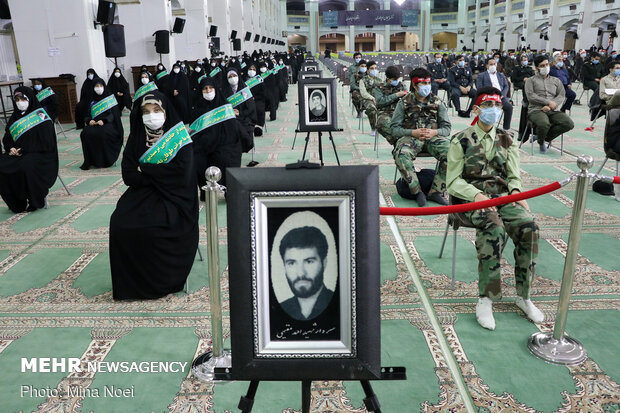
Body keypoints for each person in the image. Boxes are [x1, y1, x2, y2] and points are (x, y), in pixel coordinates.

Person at [446, 86, 544, 331]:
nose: (494, 111)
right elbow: (453, 181)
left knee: (529, 227)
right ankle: (486, 298)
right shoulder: (461, 139)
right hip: (469, 198)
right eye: (488, 106)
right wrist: (477, 194)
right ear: (477, 109)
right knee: (494, 228)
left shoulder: (506, 139)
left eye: (498, 106)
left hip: (501, 197)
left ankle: (524, 295)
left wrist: (517, 195)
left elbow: (513, 176)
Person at [109, 90, 198, 300]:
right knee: (120, 222)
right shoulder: (137, 136)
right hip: (142, 193)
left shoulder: (180, 139)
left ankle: (160, 281)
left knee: (154, 227)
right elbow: (128, 175)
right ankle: (131, 285)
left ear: (166, 112)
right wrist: (158, 173)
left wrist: (146, 169)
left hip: (175, 197)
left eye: (157, 110)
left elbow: (181, 175)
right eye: (146, 111)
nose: (152, 115)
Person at [389, 68, 451, 206]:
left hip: (433, 138)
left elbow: (447, 128)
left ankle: (436, 191)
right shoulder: (404, 102)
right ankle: (417, 192)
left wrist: (435, 132)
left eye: (428, 83)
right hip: (411, 138)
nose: (427, 86)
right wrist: (413, 133)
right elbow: (394, 129)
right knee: (401, 154)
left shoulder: (438, 102)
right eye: (423, 84)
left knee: (453, 152)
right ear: (414, 85)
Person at [0, 87, 58, 213]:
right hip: (17, 154)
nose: (20, 102)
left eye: (22, 99)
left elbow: (46, 141)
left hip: (40, 153)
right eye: (17, 100)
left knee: (26, 165)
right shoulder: (14, 117)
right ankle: (16, 202)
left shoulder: (40, 115)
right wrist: (11, 148)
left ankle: (34, 200)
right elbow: (7, 138)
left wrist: (24, 149)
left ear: (30, 99)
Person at [190, 77, 247, 192]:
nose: (208, 91)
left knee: (225, 157)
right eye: (205, 89)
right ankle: (206, 191)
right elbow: (195, 131)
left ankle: (229, 191)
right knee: (196, 158)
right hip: (205, 144)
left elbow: (232, 129)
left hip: (225, 143)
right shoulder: (197, 108)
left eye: (211, 88)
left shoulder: (223, 105)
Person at [278, 226, 334, 321]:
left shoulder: (340, 304)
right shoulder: (279, 311)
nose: (300, 273)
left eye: (309, 262)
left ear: (324, 263)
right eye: (291, 263)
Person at [524, 55, 574, 153]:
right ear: (537, 68)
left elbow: (561, 95)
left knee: (568, 124)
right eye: (542, 66)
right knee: (544, 124)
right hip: (536, 110)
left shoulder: (556, 81)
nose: (545, 67)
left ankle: (541, 137)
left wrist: (552, 105)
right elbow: (531, 96)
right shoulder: (531, 81)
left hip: (553, 109)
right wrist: (547, 102)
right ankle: (541, 143)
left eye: (547, 64)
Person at [79, 78, 124, 170]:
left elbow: (114, 114)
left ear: (104, 87)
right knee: (85, 133)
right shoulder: (90, 100)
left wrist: (104, 120)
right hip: (94, 123)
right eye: (96, 86)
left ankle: (106, 159)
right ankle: (91, 160)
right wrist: (89, 121)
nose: (99, 88)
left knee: (102, 133)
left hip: (108, 123)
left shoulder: (109, 99)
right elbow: (86, 114)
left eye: (101, 86)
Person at [373, 65, 408, 144]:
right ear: (388, 79)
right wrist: (396, 95)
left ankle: (403, 142)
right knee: (383, 124)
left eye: (397, 79)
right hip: (385, 112)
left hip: (400, 112)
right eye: (394, 79)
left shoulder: (402, 86)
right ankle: (398, 142)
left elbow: (408, 98)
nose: (396, 81)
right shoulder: (379, 87)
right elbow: (379, 102)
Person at [476, 58, 513, 130]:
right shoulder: (482, 75)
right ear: (487, 66)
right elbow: (479, 88)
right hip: (488, 97)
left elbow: (506, 86)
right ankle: (486, 127)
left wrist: (503, 95)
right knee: (489, 109)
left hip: (500, 97)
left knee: (509, 107)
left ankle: (506, 128)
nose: (493, 66)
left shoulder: (501, 75)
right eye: (491, 64)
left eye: (494, 64)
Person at [358, 60, 382, 134]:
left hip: (378, 99)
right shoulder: (363, 80)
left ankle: (382, 128)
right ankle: (374, 128)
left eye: (375, 68)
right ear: (368, 71)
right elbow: (363, 93)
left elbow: (382, 92)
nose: (374, 70)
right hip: (367, 100)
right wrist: (372, 98)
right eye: (372, 68)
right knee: (371, 109)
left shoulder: (379, 80)